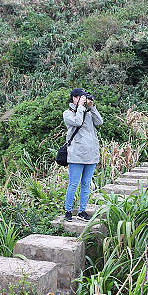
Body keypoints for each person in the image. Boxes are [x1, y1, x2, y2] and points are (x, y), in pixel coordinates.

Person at [63, 88, 103, 222]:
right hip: (76, 154)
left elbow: (99, 122)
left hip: (91, 154)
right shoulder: (67, 114)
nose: (85, 99)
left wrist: (92, 108)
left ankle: (82, 211)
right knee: (73, 184)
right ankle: (68, 211)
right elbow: (77, 122)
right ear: (74, 98)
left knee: (86, 184)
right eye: (82, 97)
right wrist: (80, 107)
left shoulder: (88, 112)